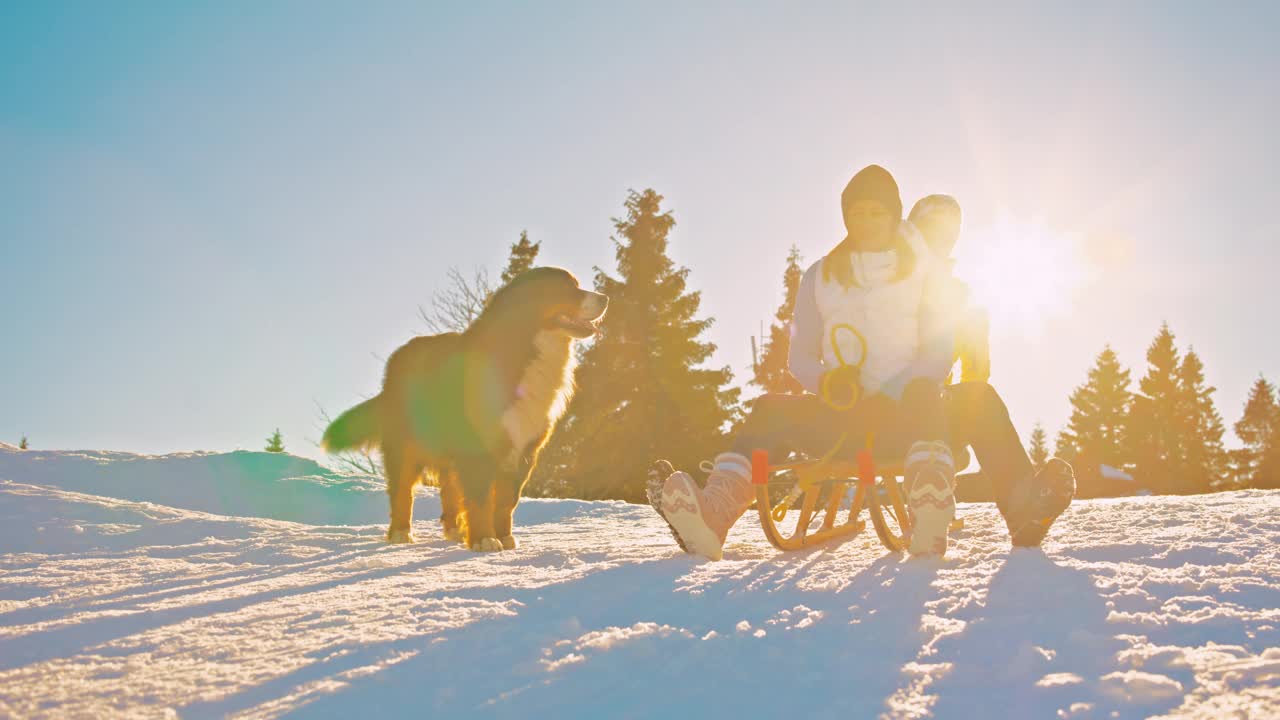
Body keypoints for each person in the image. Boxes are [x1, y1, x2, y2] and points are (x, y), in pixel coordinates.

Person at [650, 165, 959, 560]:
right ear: (845, 217)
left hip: (904, 417)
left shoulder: (923, 272)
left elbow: (940, 350)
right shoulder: (820, 275)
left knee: (925, 395)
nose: (865, 222)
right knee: (768, 410)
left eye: (876, 213)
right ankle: (715, 513)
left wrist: (900, 387)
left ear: (895, 216)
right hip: (842, 415)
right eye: (857, 213)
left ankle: (928, 510)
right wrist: (829, 382)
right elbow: (799, 355)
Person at [907, 194, 1076, 547]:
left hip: (932, 411)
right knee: (977, 397)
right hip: (884, 406)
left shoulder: (961, 300)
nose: (940, 238)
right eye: (931, 230)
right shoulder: (887, 285)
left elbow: (976, 371)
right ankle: (1020, 504)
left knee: (978, 397)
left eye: (946, 232)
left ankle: (1023, 507)